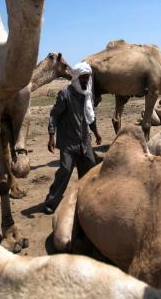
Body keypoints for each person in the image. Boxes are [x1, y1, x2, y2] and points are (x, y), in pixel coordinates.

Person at [43, 62, 102, 214]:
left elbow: (91, 117)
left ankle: (86, 198)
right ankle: (51, 201)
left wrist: (95, 133)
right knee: (65, 170)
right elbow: (54, 115)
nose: (85, 81)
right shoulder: (65, 94)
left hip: (84, 141)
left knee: (90, 168)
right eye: (83, 78)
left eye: (87, 78)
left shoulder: (87, 94)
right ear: (76, 78)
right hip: (68, 142)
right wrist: (51, 136)